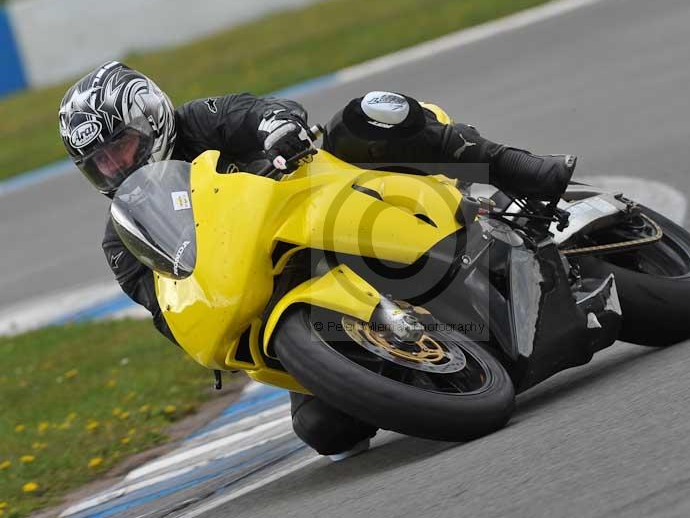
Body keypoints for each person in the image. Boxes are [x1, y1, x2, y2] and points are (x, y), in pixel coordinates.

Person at [58, 61, 575, 458]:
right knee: (325, 432)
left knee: (366, 116)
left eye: (119, 148)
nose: (113, 166)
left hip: (338, 207)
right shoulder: (123, 237)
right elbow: (165, 308)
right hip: (279, 295)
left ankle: (515, 168)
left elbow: (261, 113)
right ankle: (425, 366)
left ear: (149, 119)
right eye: (98, 162)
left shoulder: (203, 120)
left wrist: (277, 130)